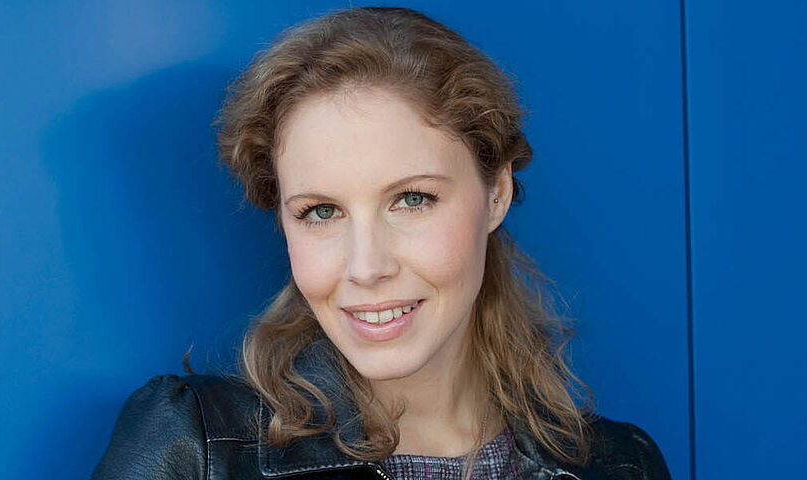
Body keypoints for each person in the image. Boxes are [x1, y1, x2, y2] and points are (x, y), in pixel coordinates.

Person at [92, 7, 670, 480]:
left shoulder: (622, 466)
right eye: (321, 211)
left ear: (496, 193)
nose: (366, 267)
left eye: (412, 199)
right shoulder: (197, 452)